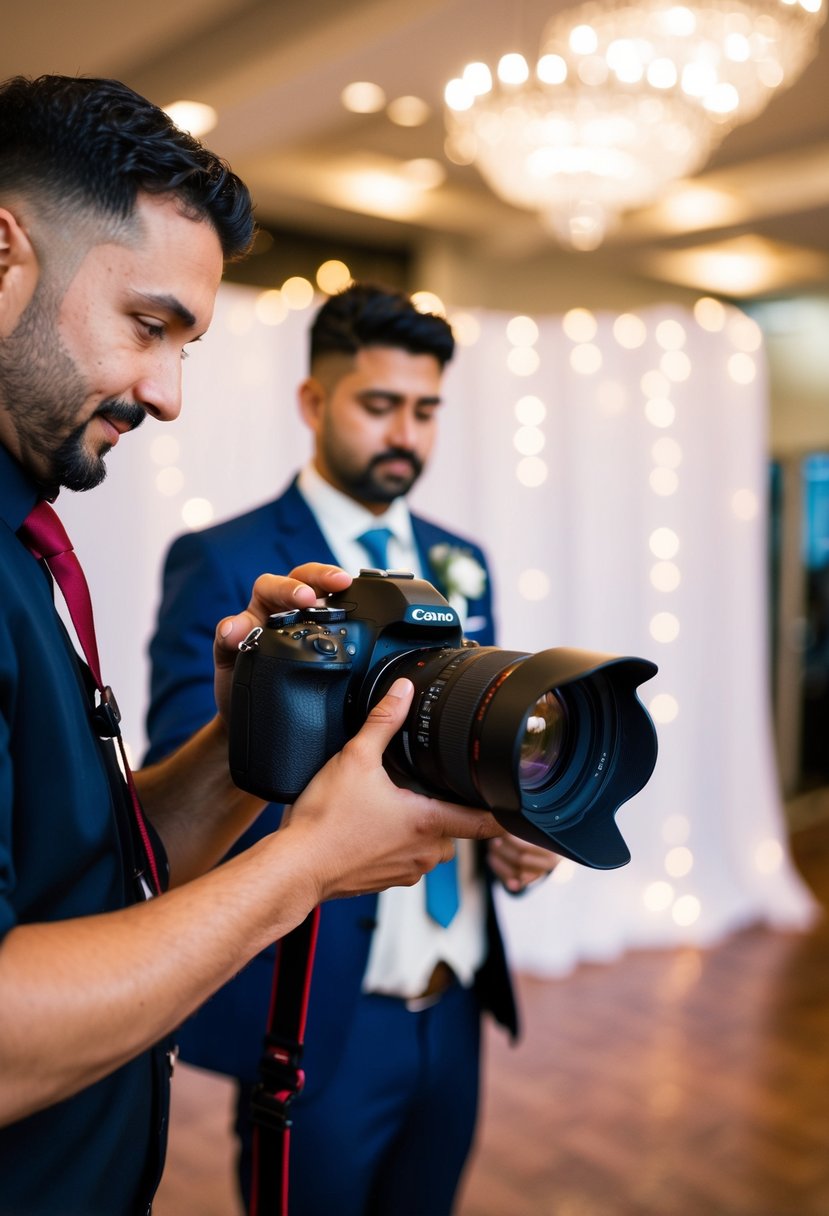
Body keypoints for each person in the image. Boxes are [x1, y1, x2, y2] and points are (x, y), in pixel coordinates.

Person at [0, 77, 504, 1216]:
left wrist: (240, 743)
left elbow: (87, 879)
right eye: (148, 325)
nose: (169, 394)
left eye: (190, 343)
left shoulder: (26, 540)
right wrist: (311, 860)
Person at [145, 283, 557, 1215]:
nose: (404, 433)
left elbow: (467, 735)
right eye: (379, 406)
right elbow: (196, 780)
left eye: (424, 410)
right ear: (314, 403)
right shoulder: (224, 559)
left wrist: (510, 823)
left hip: (454, 994)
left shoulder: (462, 560)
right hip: (317, 1001)